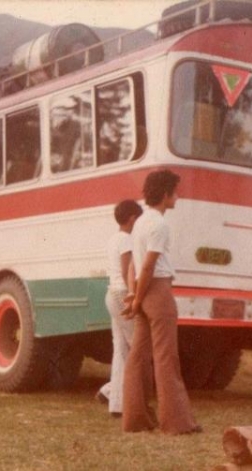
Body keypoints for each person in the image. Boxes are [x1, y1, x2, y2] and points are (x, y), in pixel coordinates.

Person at [122, 169, 201, 435]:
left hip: (144, 294)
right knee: (166, 357)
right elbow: (148, 267)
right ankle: (177, 422)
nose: (177, 196)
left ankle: (135, 419)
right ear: (165, 194)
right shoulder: (159, 225)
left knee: (138, 357)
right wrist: (139, 297)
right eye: (175, 192)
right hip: (158, 292)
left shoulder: (141, 222)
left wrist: (134, 297)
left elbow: (135, 265)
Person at [96, 199, 143, 417]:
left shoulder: (113, 239)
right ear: (132, 219)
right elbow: (127, 272)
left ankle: (115, 400)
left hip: (111, 293)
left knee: (121, 349)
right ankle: (127, 398)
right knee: (137, 346)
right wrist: (134, 297)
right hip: (122, 294)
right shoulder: (126, 240)